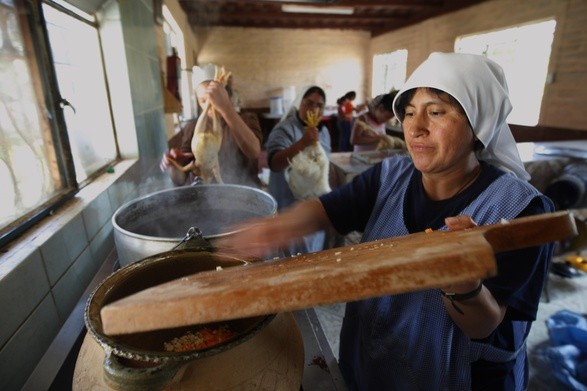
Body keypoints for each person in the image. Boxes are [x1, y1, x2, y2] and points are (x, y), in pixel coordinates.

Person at [217, 52, 555, 390]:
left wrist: (462, 283)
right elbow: (327, 209)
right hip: (373, 363)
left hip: (453, 378)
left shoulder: (520, 209)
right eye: (409, 113)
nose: (415, 127)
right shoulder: (391, 176)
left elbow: (486, 326)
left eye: (436, 112)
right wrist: (269, 229)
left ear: (477, 123)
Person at [265, 86, 332, 256]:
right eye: (309, 103)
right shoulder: (284, 129)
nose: (314, 109)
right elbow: (274, 163)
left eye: (319, 105)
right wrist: (303, 143)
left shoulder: (323, 133)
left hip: (312, 208)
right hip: (287, 206)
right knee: (286, 258)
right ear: (300, 104)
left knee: (311, 256)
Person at [160, 79, 262, 187]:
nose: (210, 104)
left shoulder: (246, 119)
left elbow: (254, 151)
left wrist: (226, 108)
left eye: (215, 99)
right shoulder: (192, 128)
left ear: (228, 98)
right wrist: (175, 166)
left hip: (246, 192)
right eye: (203, 101)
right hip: (209, 196)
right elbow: (179, 180)